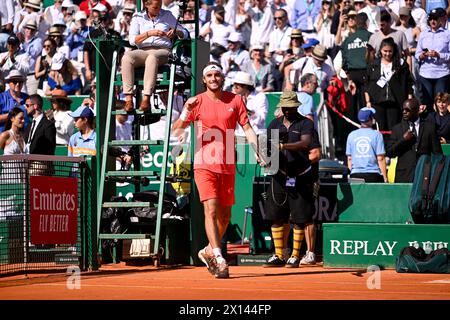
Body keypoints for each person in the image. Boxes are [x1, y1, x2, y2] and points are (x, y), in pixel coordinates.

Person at [172, 62, 259, 279]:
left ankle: (208, 250)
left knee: (225, 216)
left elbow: (247, 128)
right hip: (204, 164)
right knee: (210, 211)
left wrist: (258, 150)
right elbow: (177, 130)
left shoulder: (236, 100)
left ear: (222, 78)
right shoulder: (197, 102)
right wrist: (186, 111)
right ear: (204, 80)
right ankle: (219, 257)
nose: (213, 78)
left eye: (217, 75)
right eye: (209, 75)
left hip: (228, 164)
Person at [262, 91, 314, 268]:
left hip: (300, 176)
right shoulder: (274, 124)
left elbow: (305, 143)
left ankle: (295, 255)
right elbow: (267, 147)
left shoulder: (305, 123)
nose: (287, 110)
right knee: (277, 216)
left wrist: (284, 146)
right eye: (285, 107)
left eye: (290, 108)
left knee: (299, 218)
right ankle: (279, 254)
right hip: (279, 175)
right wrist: (265, 158)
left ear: (296, 107)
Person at [121, 0, 189, 112]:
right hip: (143, 50)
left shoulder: (167, 15)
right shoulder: (138, 17)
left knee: (152, 58)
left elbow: (185, 33)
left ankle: (146, 98)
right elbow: (133, 40)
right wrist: (149, 33)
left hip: (162, 50)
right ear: (147, 5)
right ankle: (128, 99)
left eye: (159, 6)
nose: (158, 9)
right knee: (127, 58)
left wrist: (176, 32)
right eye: (155, 7)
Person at [386, 98, 442, 183]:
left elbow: (438, 154)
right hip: (404, 175)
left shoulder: (430, 127)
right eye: (403, 109)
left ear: (417, 110)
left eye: (407, 110)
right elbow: (389, 152)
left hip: (425, 175)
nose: (404, 112)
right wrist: (403, 140)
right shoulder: (397, 129)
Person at [364, 37, 414, 132]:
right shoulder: (374, 65)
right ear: (380, 50)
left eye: (390, 51)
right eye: (385, 51)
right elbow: (367, 85)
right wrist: (368, 101)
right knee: (380, 129)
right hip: (378, 103)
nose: (387, 54)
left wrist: (409, 101)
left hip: (394, 102)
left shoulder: (401, 65)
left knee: (394, 129)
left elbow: (408, 84)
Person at [415, 8, 450, 112]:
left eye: (435, 18)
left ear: (440, 20)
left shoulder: (447, 34)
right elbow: (417, 53)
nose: (433, 21)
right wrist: (421, 55)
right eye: (430, 18)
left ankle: (442, 125)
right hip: (425, 73)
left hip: (442, 73)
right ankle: (428, 125)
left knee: (441, 102)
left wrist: (439, 55)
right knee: (426, 102)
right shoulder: (423, 34)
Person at [346, 107, 387, 183]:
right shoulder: (377, 135)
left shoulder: (351, 135)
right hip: (373, 175)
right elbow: (380, 158)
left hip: (355, 175)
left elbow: (349, 159)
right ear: (370, 119)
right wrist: (385, 177)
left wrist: (350, 174)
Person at [231, 71, 268, 139]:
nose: (234, 87)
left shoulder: (260, 96)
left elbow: (262, 119)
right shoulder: (233, 97)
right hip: (238, 135)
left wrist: (246, 110)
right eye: (234, 84)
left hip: (257, 134)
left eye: (237, 84)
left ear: (245, 86)